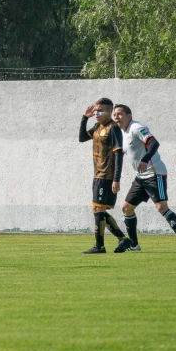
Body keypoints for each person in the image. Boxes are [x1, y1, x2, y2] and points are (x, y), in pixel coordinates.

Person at [112, 105, 176, 253]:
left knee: (161, 208)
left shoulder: (136, 127)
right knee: (126, 208)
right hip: (141, 177)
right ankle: (134, 245)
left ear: (129, 116)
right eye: (115, 115)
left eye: (120, 114)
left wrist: (145, 159)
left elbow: (154, 143)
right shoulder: (122, 133)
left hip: (155, 173)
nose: (116, 117)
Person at [78, 98, 129, 254]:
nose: (97, 114)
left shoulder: (113, 128)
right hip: (97, 175)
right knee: (97, 209)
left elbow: (119, 154)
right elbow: (81, 138)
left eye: (100, 111)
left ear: (109, 112)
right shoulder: (97, 126)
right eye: (95, 111)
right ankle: (123, 239)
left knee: (98, 209)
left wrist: (116, 179)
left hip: (107, 176)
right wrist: (84, 118)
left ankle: (100, 246)